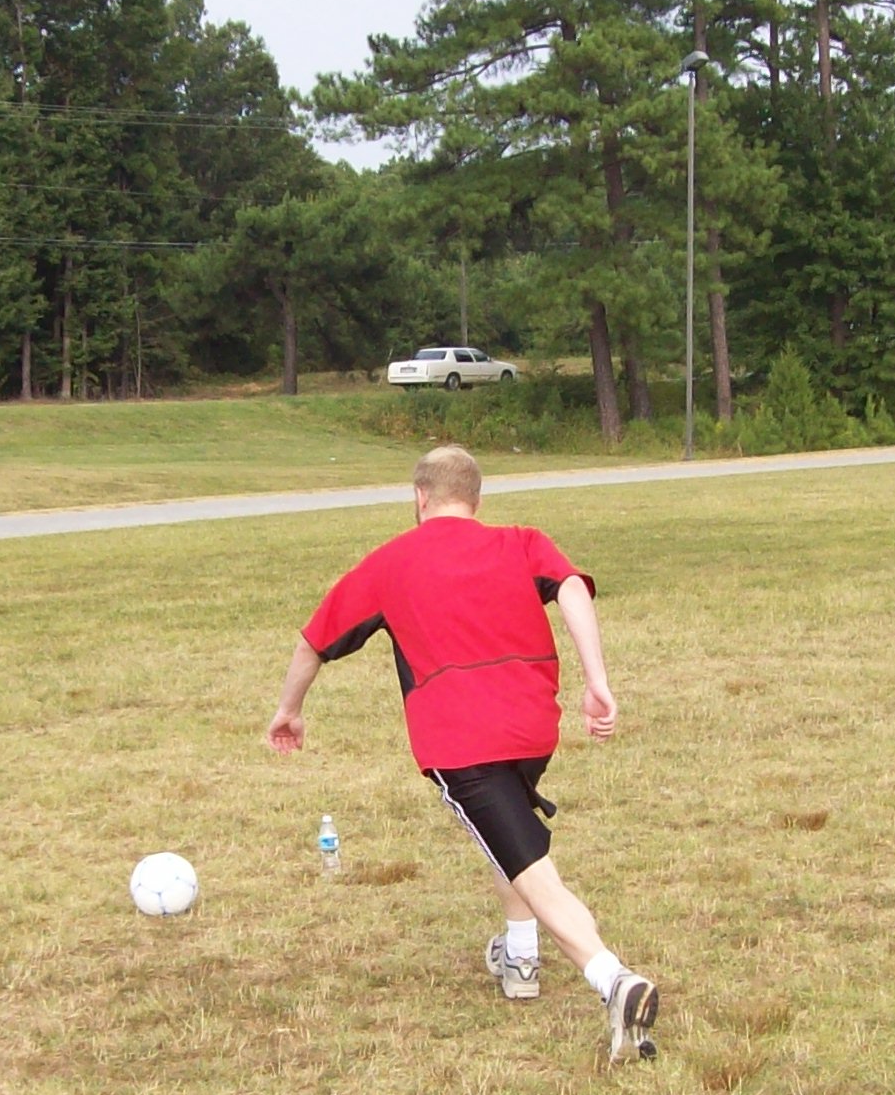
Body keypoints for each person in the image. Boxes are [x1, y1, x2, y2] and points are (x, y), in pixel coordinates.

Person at [266, 444, 660, 1061]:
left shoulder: (390, 562)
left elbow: (314, 641)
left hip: (461, 741)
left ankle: (612, 979)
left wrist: (289, 710)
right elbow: (572, 589)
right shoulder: (522, 542)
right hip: (532, 725)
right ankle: (520, 956)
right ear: (475, 498)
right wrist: (597, 679)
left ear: (420, 497)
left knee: (531, 866)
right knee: (508, 837)